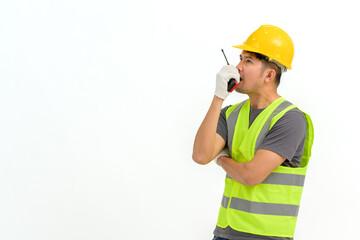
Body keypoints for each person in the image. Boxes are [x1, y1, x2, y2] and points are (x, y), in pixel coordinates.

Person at [192, 25, 314, 240]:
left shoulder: (290, 119)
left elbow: (251, 176)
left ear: (269, 74)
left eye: (248, 61)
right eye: (240, 59)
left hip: (266, 236)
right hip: (225, 232)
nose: (237, 67)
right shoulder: (231, 114)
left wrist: (221, 159)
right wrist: (219, 96)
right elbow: (201, 156)